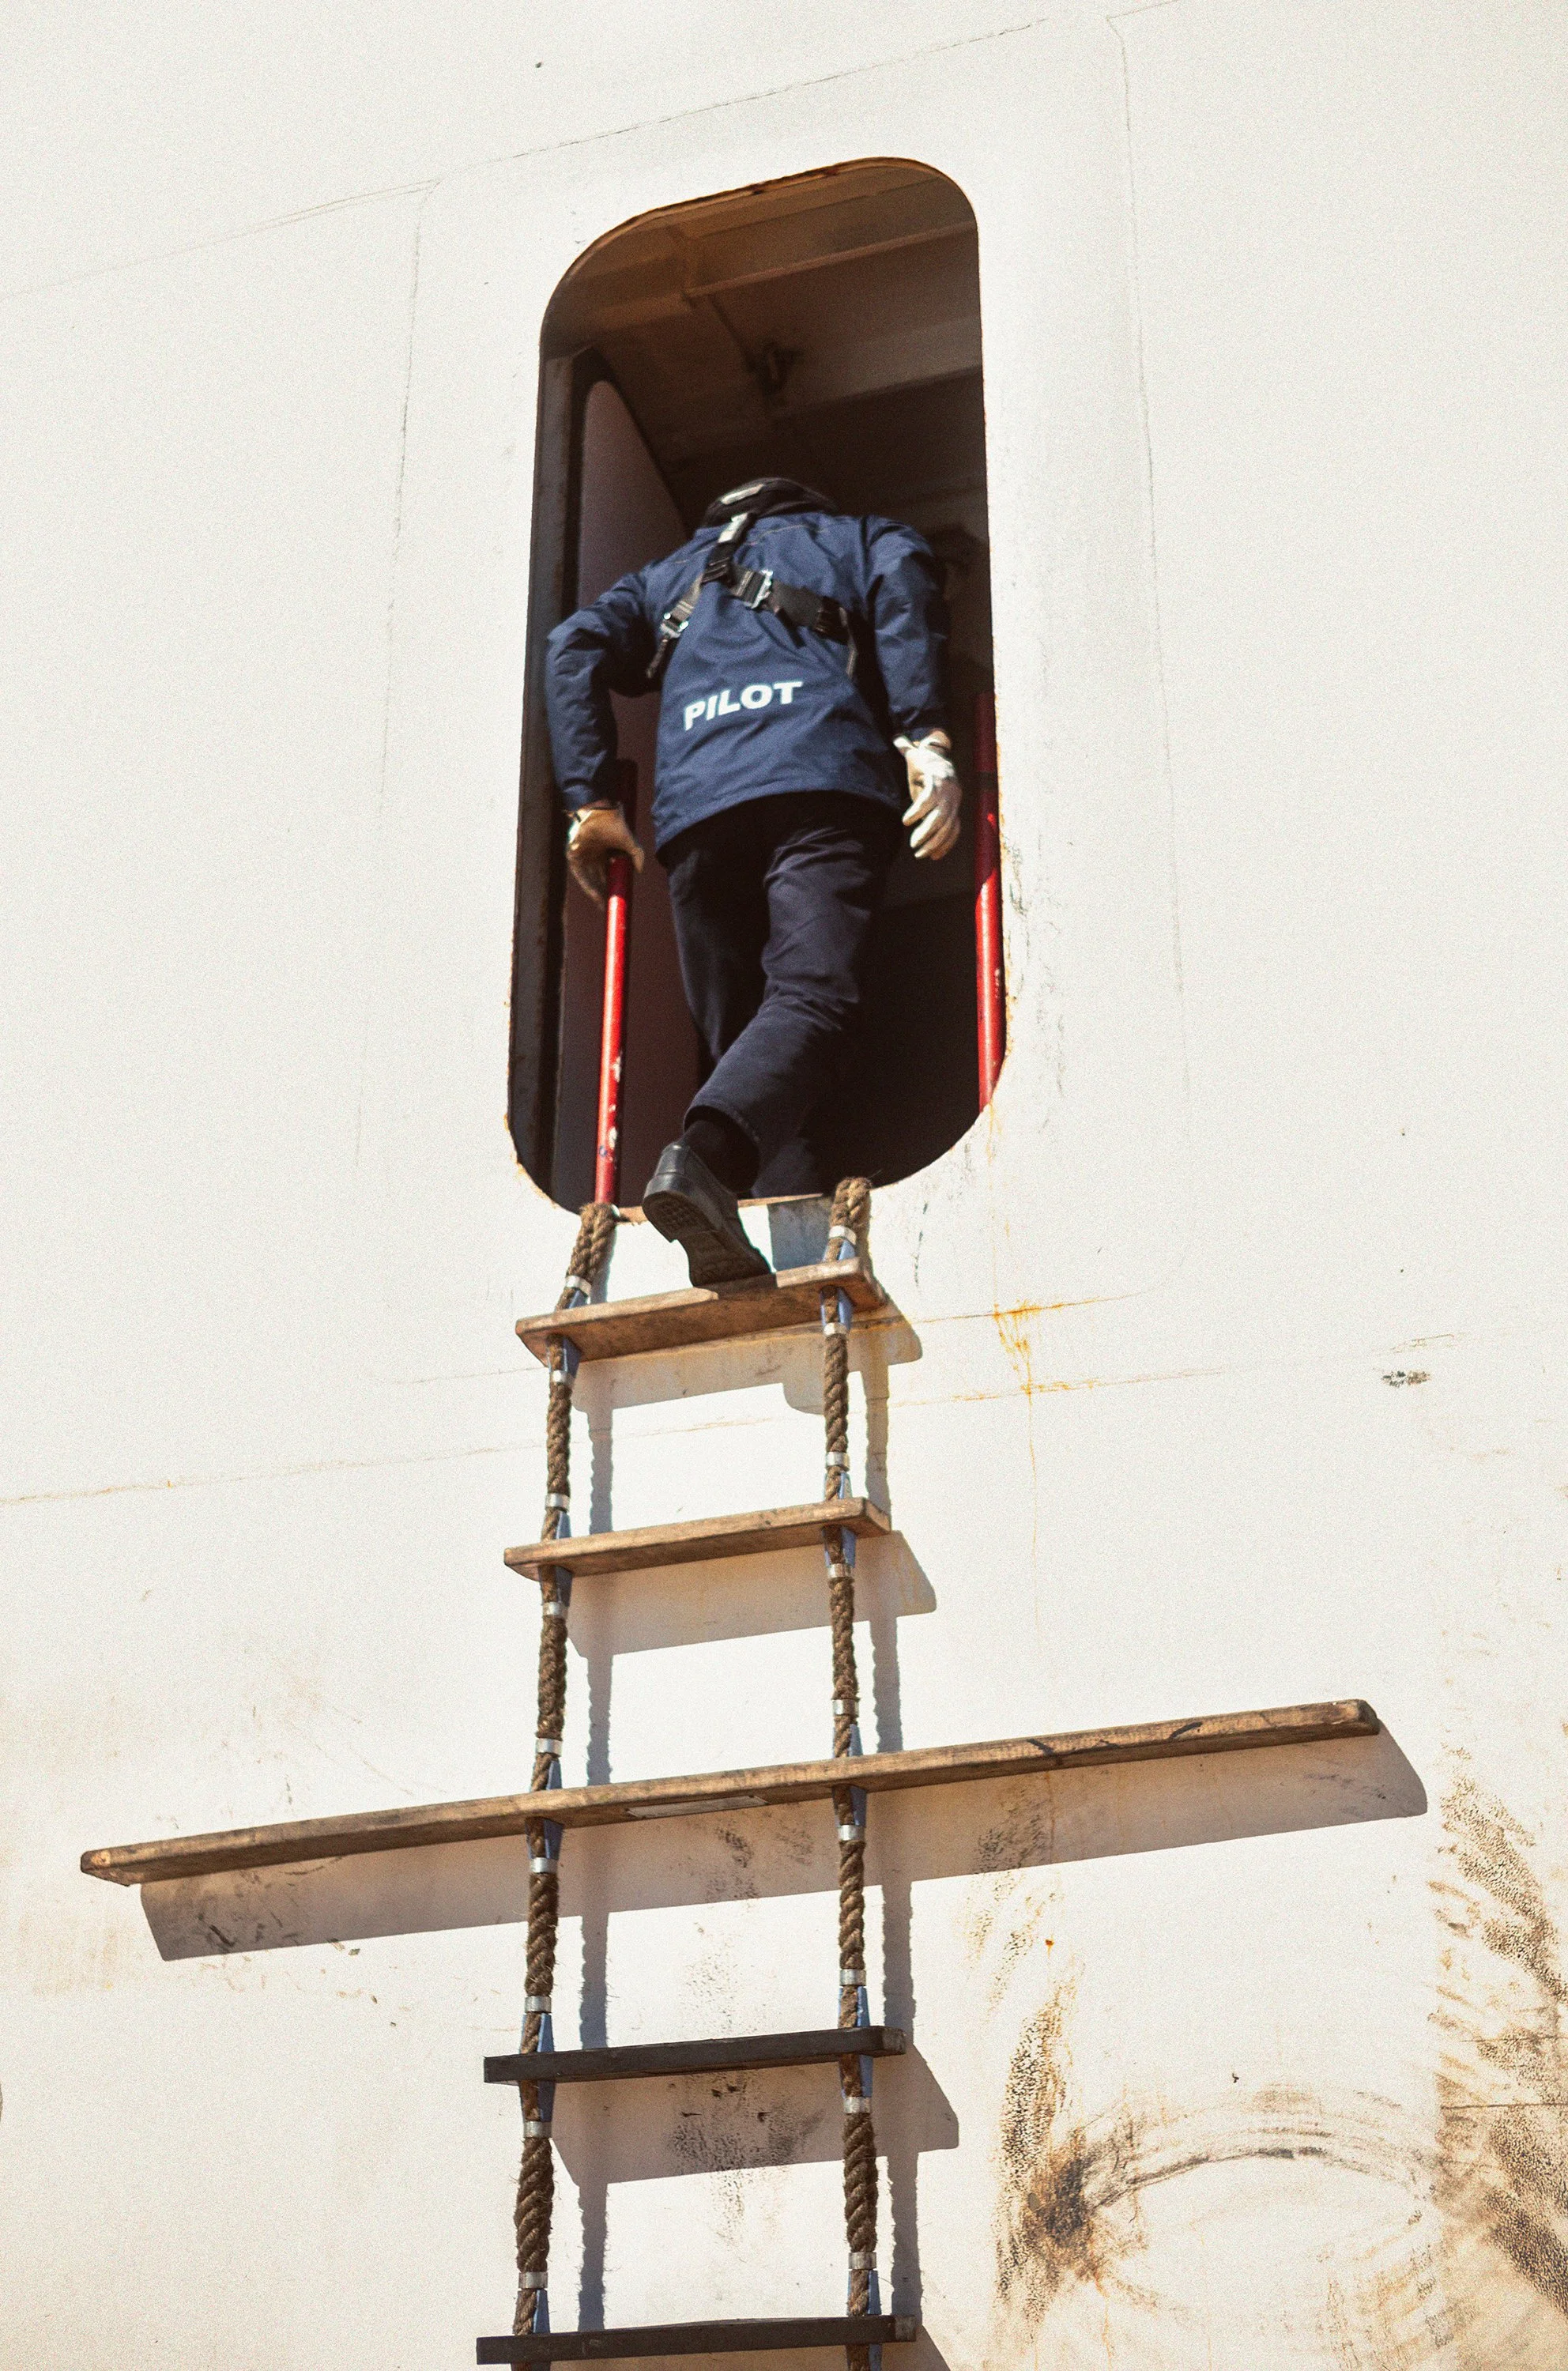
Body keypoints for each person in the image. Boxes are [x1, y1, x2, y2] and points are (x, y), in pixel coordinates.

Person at [545, 475, 960, 1286]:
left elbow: (572, 646)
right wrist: (925, 731)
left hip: (698, 817)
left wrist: (587, 801)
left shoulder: (667, 577)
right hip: (819, 784)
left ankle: (767, 1225)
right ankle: (704, 1161)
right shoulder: (859, 533)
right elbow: (907, 581)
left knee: (747, 1048)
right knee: (813, 1000)